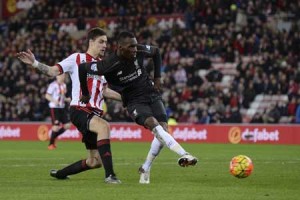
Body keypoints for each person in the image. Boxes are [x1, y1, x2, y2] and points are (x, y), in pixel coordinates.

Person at [79, 31, 198, 184]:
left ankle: (145, 167)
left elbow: (156, 52)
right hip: (134, 101)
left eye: (135, 45)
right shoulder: (108, 64)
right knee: (154, 125)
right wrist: (85, 92)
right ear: (120, 48)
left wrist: (158, 78)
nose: (135, 49)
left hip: (151, 94)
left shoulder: (139, 50)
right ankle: (184, 153)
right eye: (131, 46)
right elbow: (83, 68)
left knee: (162, 130)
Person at [16, 27, 122, 184]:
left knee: (94, 162)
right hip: (80, 110)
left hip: (95, 114)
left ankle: (60, 174)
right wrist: (35, 63)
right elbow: (52, 71)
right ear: (91, 42)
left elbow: (105, 91)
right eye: (101, 42)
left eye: (106, 42)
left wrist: (127, 98)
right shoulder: (77, 58)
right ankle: (110, 176)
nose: (105, 46)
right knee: (104, 127)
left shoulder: (103, 66)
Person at [45, 73, 71, 150]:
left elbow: (62, 97)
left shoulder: (64, 85)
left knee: (67, 126)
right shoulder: (52, 85)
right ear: (56, 76)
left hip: (62, 107)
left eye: (63, 75)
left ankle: (53, 137)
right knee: (56, 127)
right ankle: (51, 144)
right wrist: (54, 100)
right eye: (61, 75)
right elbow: (47, 95)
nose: (62, 77)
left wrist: (66, 99)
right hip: (54, 107)